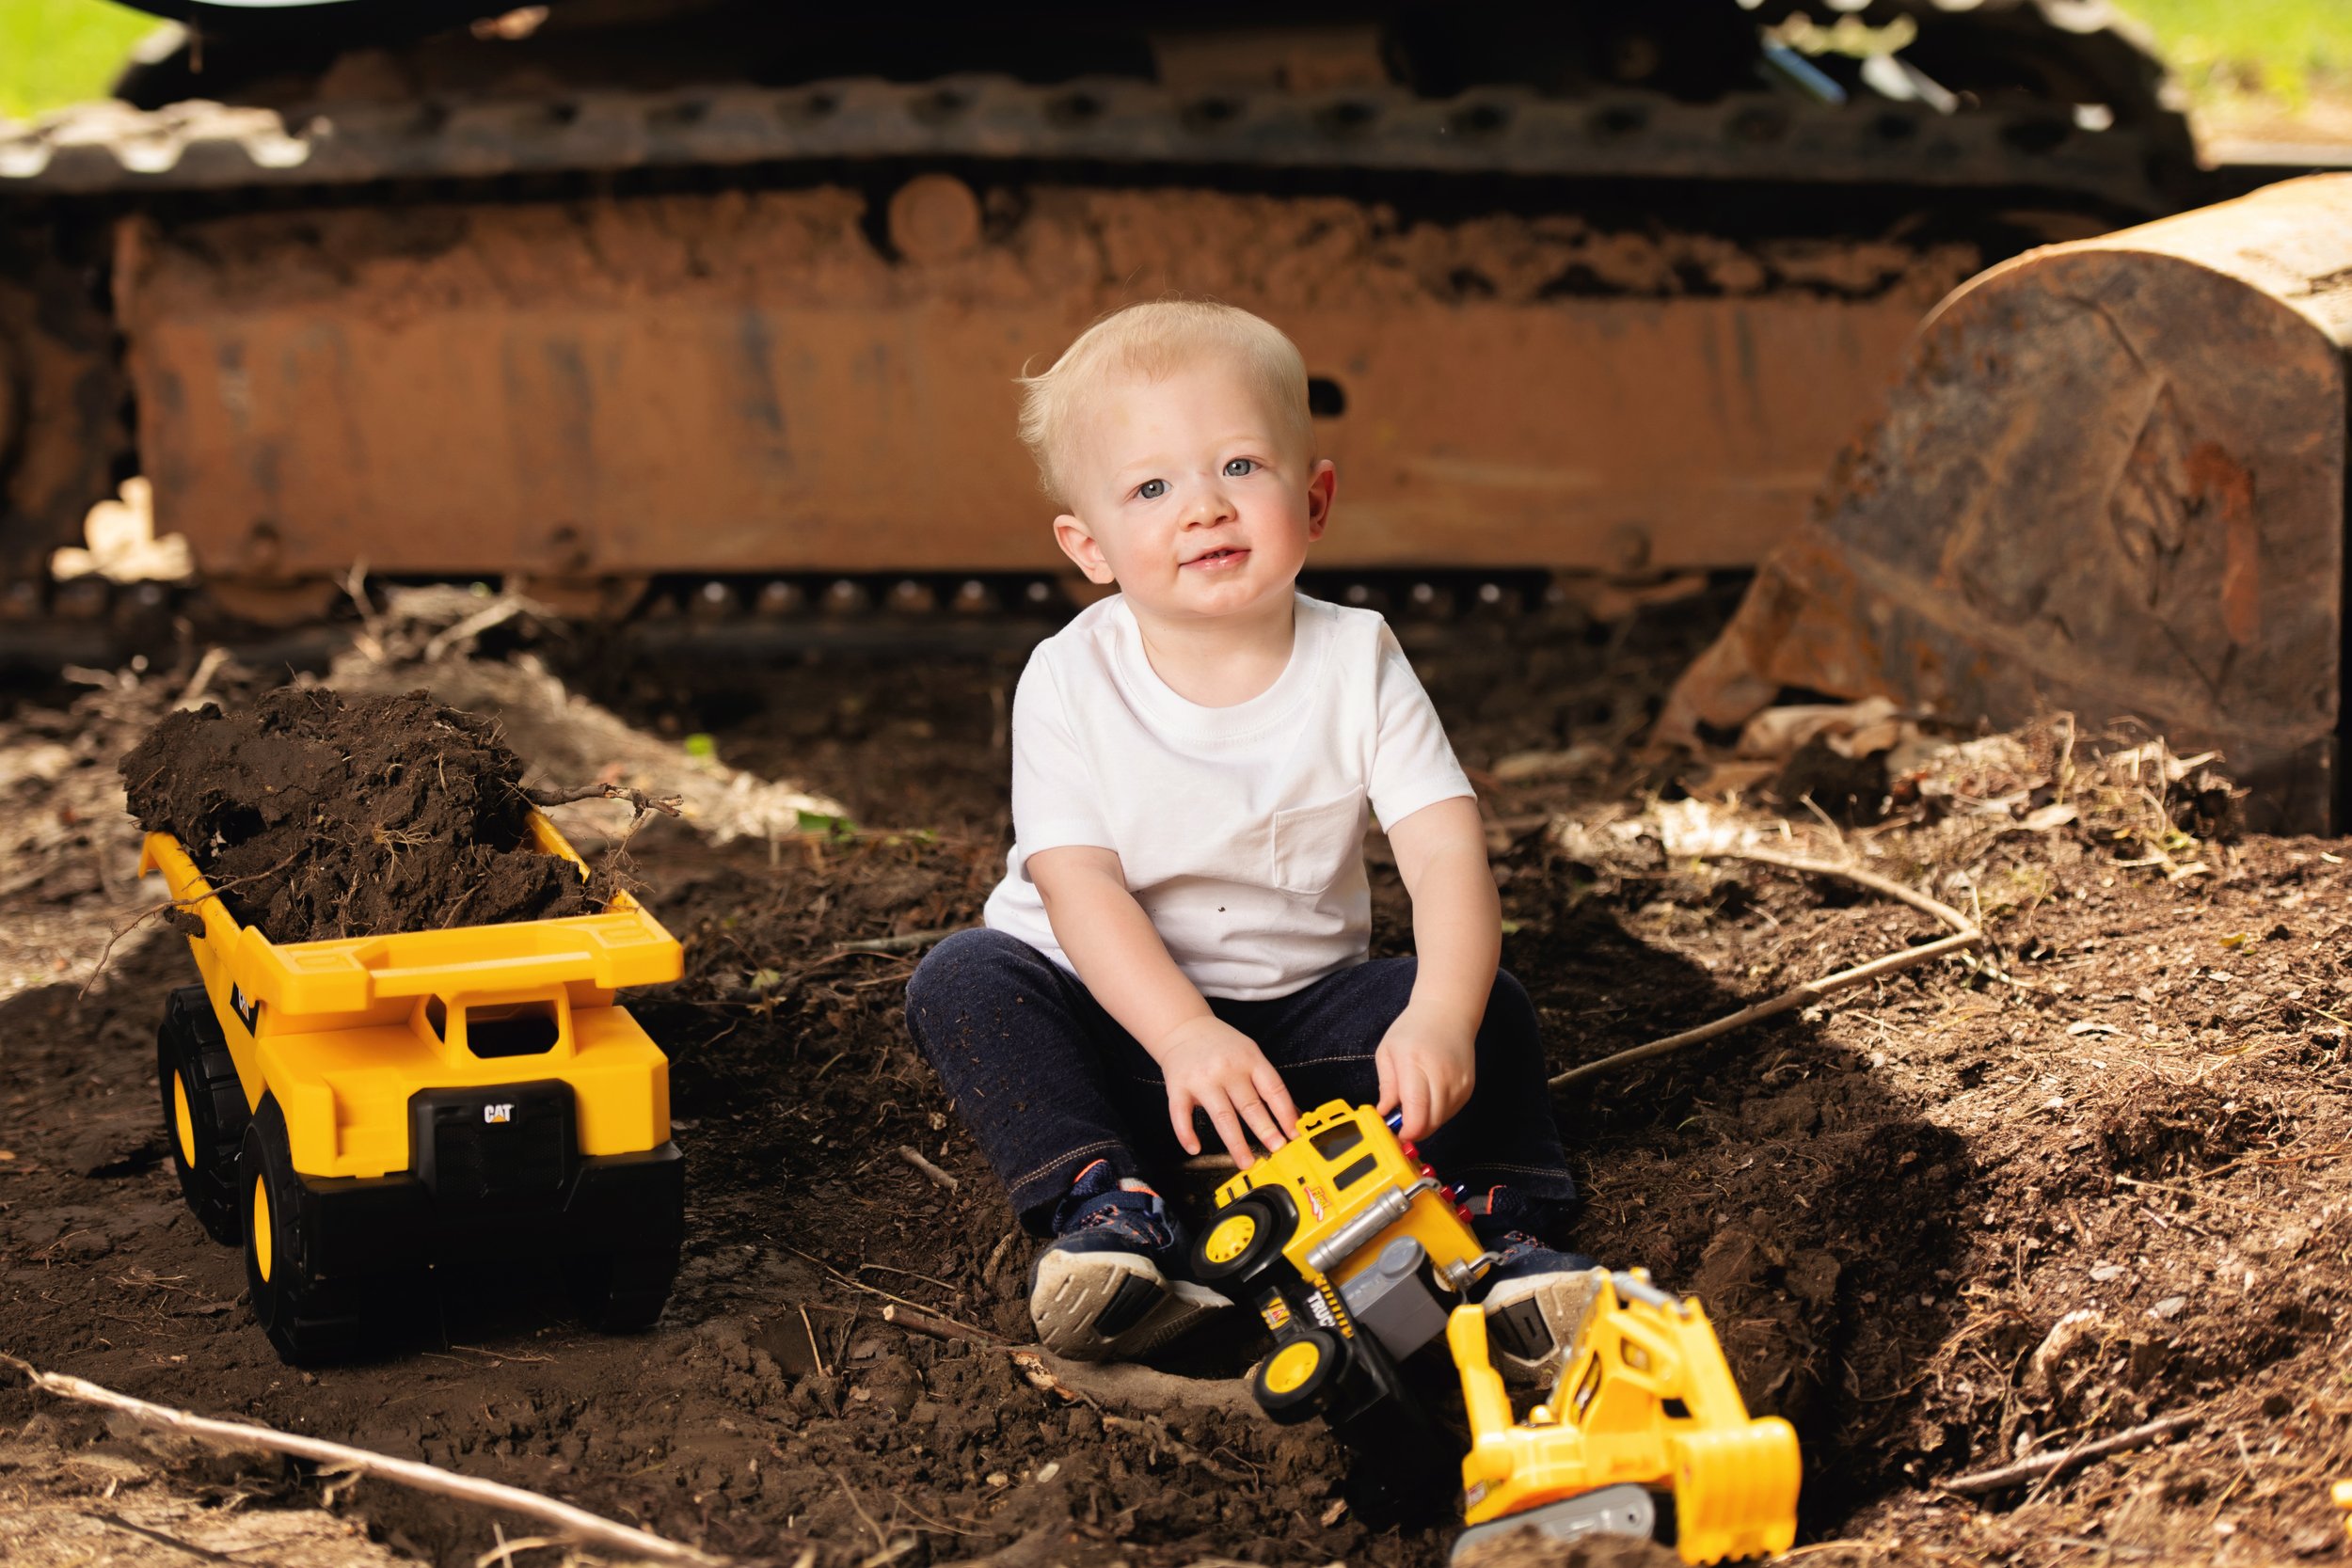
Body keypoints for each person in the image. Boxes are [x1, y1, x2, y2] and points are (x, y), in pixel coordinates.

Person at [907, 300, 1594, 1375]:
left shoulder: (1355, 657)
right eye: (1150, 486)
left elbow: (1444, 849)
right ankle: (1108, 1205)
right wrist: (1181, 1033)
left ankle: (1501, 1231)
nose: (1203, 508)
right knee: (967, 977)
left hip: (1295, 1039)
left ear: (1313, 499)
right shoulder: (1069, 677)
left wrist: (1438, 1017)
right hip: (1118, 1027)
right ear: (1087, 547)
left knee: (1487, 1001)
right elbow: (1077, 885)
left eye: (1238, 464)